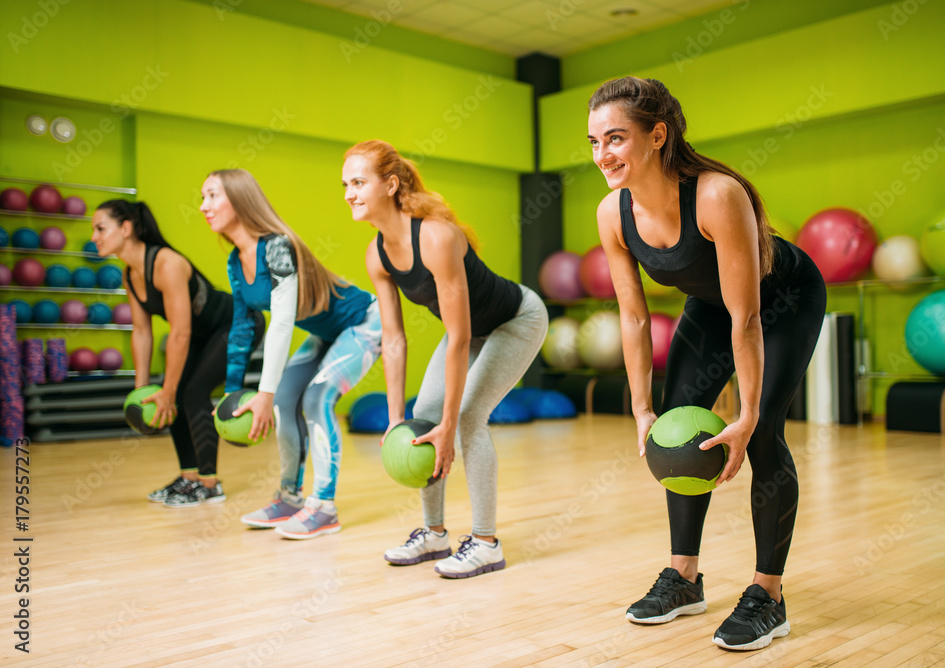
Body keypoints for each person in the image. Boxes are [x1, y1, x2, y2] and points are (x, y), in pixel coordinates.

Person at [587, 77, 827, 651]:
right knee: (677, 430)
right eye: (594, 142)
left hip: (783, 301)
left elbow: (748, 320)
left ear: (657, 135)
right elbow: (635, 319)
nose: (603, 155)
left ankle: (768, 597)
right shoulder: (612, 213)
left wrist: (743, 416)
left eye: (615, 138)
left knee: (763, 432)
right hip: (715, 306)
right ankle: (684, 579)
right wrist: (643, 410)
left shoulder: (716, 195)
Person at [343, 140, 548, 579]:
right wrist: (396, 418)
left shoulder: (435, 236)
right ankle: (434, 533)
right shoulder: (377, 254)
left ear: (390, 185)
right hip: (472, 331)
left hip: (517, 320)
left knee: (468, 418)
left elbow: (457, 337)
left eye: (359, 182)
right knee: (423, 415)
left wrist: (451, 424)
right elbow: (394, 340)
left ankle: (487, 543)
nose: (349, 193)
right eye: (346, 184)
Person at [201, 169, 382, 540]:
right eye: (201, 198)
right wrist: (233, 393)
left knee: (317, 399)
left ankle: (325, 508)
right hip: (326, 332)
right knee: (286, 399)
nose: (204, 206)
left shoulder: (277, 246)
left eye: (212, 196)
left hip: (366, 322)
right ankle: (289, 498)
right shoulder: (237, 261)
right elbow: (241, 329)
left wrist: (262, 394)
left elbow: (282, 323)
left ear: (239, 198)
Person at [91, 200, 264, 507]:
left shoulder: (166, 264)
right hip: (202, 333)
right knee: (169, 394)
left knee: (191, 392)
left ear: (126, 229)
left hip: (237, 323)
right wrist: (144, 389)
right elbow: (142, 332)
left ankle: (210, 484)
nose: (94, 236)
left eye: (100, 228)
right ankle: (189, 477)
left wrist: (169, 391)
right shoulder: (130, 274)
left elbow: (180, 332)